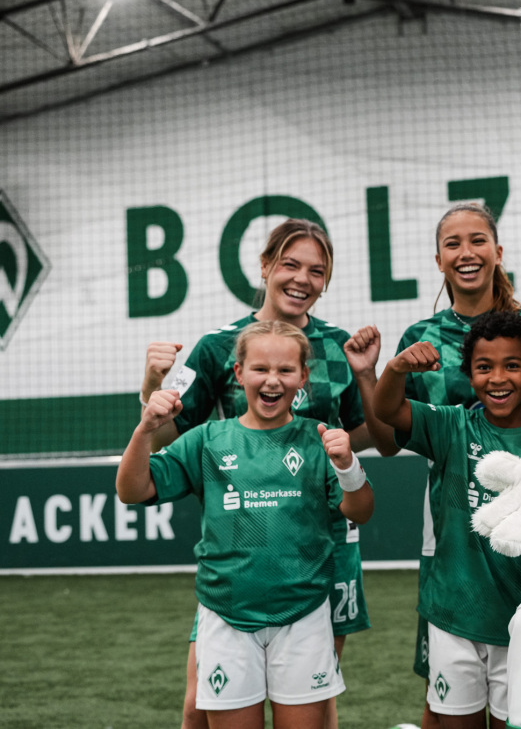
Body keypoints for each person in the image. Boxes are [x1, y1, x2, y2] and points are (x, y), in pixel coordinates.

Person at [344, 202, 521, 729]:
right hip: (453, 527)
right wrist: (375, 374)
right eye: (453, 244)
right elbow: (391, 440)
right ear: (438, 260)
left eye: (478, 240)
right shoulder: (422, 336)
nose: (467, 253)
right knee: (448, 683)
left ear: (498, 252)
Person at [140, 219, 373, 729]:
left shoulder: (337, 346)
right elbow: (164, 435)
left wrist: (331, 448)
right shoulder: (216, 347)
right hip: (242, 544)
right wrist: (150, 386)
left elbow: (367, 434)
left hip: (325, 536)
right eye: (290, 264)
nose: (302, 279)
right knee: (197, 706)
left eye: (317, 270)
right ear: (266, 267)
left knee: (318, 693)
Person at [372, 311, 521, 729]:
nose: (498, 378)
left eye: (512, 366)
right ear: (470, 375)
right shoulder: (450, 426)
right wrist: (395, 367)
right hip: (454, 618)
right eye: (484, 367)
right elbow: (386, 408)